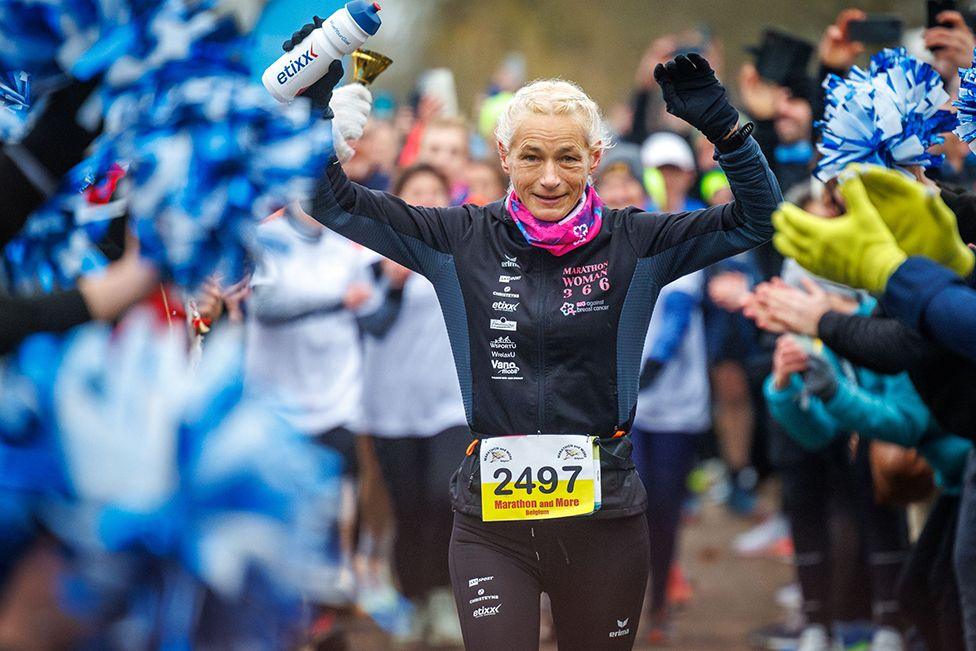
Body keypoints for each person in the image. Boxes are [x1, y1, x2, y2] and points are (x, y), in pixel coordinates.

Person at [287, 20, 781, 644]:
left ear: (595, 160)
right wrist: (312, 101)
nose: (550, 178)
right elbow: (331, 201)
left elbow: (758, 220)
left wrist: (726, 130)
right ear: (504, 157)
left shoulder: (637, 242)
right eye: (531, 157)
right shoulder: (458, 239)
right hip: (492, 525)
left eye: (568, 158)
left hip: (604, 516)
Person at [360, 164, 469, 647]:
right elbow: (373, 326)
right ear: (397, 201)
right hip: (391, 408)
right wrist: (395, 284)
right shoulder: (372, 256)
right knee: (407, 509)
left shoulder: (462, 253)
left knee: (442, 499)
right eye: (415, 192)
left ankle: (446, 601)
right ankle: (416, 600)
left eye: (434, 192)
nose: (425, 199)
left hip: (449, 407)